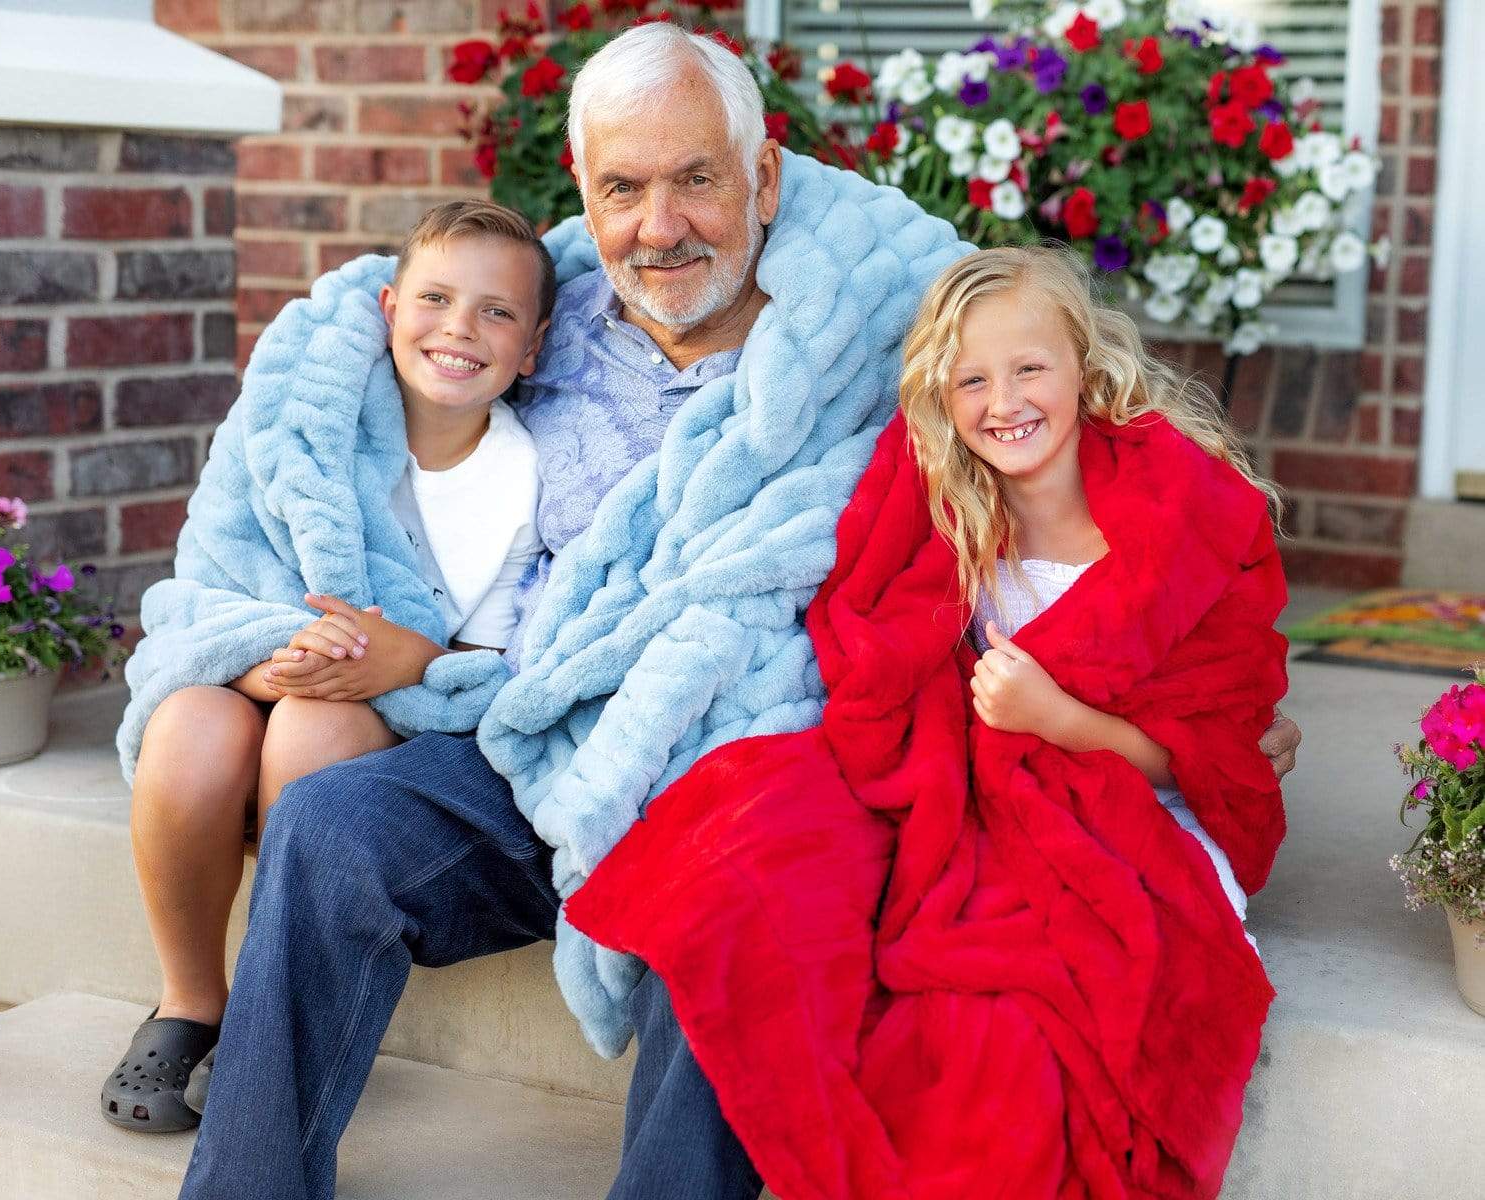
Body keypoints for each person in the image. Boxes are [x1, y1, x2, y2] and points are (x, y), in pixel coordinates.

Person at [177, 25, 1303, 1200]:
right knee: (331, 828)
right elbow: (327, 428)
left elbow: (1093, 457)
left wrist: (1208, 706)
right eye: (623, 187)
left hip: (744, 753)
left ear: (764, 175)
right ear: (584, 192)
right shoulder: (528, 322)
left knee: (728, 914)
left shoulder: (875, 330)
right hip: (536, 729)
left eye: (695, 178)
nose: (658, 225)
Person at [567, 245, 1295, 1199]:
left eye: (1031, 368)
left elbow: (1214, 758)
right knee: (742, 866)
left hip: (1133, 807)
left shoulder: (1180, 511)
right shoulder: (944, 503)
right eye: (972, 380)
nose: (1006, 402)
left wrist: (1059, 717)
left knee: (1001, 1027)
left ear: (1085, 361)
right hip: (961, 775)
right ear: (940, 399)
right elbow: (876, 648)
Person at [104, 200, 552, 1133]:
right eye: (435, 297)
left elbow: (507, 660)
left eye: (497, 312)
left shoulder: (527, 480)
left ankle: (281, 1014)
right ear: (389, 308)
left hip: (387, 708)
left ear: (534, 347)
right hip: (261, 668)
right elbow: (209, 583)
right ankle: (191, 997)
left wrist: (413, 660)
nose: (460, 328)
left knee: (318, 731)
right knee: (187, 724)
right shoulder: (303, 424)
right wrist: (262, 660)